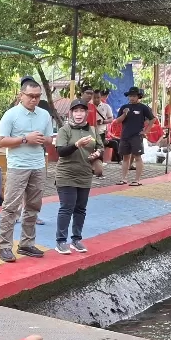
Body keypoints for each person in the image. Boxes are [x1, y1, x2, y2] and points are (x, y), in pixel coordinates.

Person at [0, 79, 54, 263]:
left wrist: (43, 139)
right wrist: (24, 139)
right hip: (17, 166)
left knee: (33, 206)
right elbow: (0, 141)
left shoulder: (44, 114)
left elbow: (50, 139)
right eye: (31, 96)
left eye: (38, 96)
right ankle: (4, 247)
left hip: (38, 165)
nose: (34, 100)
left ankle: (26, 243)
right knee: (11, 207)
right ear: (22, 95)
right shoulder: (11, 115)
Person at [55, 100, 102, 255]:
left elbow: (100, 146)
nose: (79, 114)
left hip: (85, 174)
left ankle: (76, 240)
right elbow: (61, 151)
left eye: (82, 111)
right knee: (66, 208)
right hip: (66, 174)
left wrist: (98, 153)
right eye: (76, 111)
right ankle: (61, 241)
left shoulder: (92, 130)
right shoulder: (65, 130)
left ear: (86, 113)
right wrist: (76, 144)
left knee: (80, 209)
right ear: (71, 113)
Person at [116, 87, 153, 186]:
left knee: (138, 157)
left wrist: (146, 131)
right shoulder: (124, 107)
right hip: (125, 136)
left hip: (136, 136)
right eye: (130, 96)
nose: (132, 98)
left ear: (138, 97)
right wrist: (124, 114)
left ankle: (137, 180)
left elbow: (152, 119)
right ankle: (123, 179)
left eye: (134, 96)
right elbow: (117, 121)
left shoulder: (143, 107)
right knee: (125, 158)